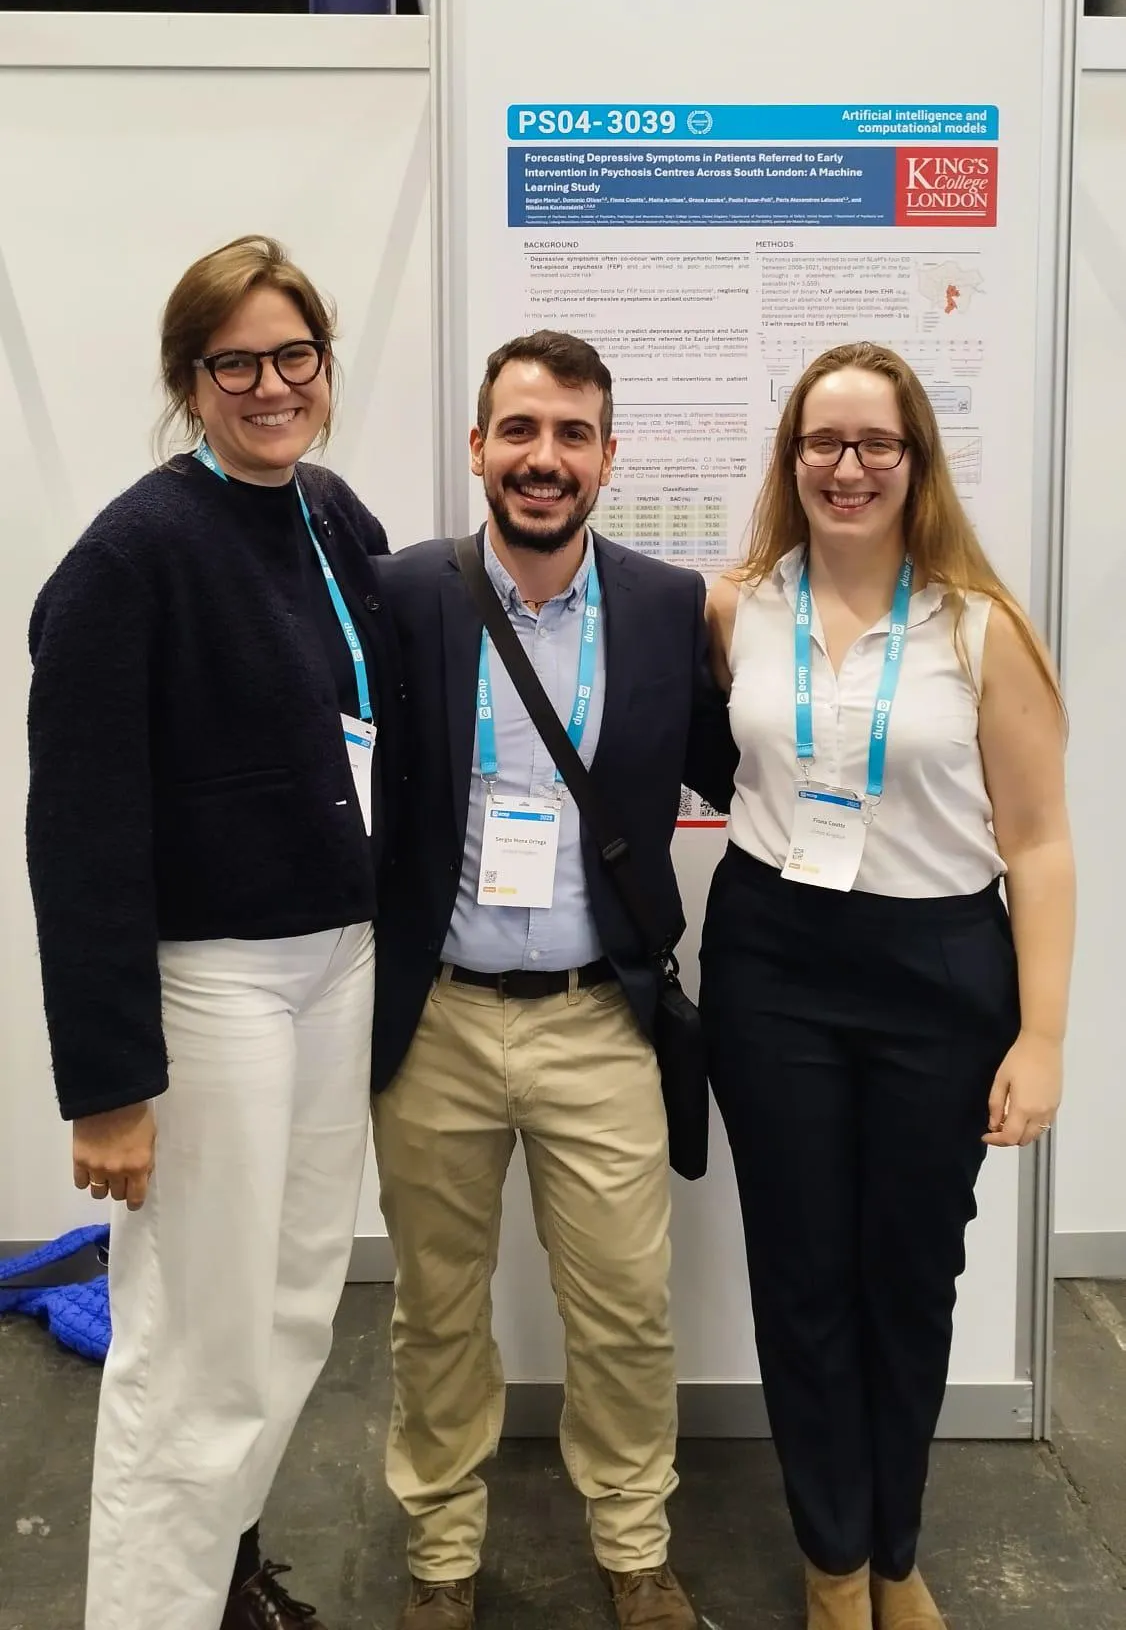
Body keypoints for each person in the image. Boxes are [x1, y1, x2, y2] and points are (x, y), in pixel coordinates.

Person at [25, 235, 402, 1630]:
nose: (269, 384)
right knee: (192, 1348)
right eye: (233, 362)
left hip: (338, 964)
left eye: (291, 355)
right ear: (191, 382)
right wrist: (111, 1089)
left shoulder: (332, 517)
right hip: (213, 990)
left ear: (322, 364)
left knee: (297, 1308)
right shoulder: (130, 559)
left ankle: (215, 1579)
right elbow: (77, 845)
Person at [700, 342, 1074, 1630]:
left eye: (874, 446)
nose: (846, 468)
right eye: (821, 444)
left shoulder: (981, 626)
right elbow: (719, 764)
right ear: (789, 458)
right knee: (799, 1274)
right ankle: (833, 1559)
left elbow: (1037, 840)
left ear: (916, 463)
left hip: (938, 970)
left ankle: (897, 1551)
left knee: (910, 1277)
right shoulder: (734, 604)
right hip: (774, 966)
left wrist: (1043, 1033)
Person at [371, 330, 737, 1630]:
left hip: (599, 1022)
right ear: (478, 448)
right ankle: (442, 1552)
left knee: (626, 1314)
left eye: (570, 434)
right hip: (438, 1028)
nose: (542, 458)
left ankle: (634, 1549)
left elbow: (738, 766)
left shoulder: (664, 605)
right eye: (518, 431)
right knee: (435, 1309)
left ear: (606, 457)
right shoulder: (405, 594)